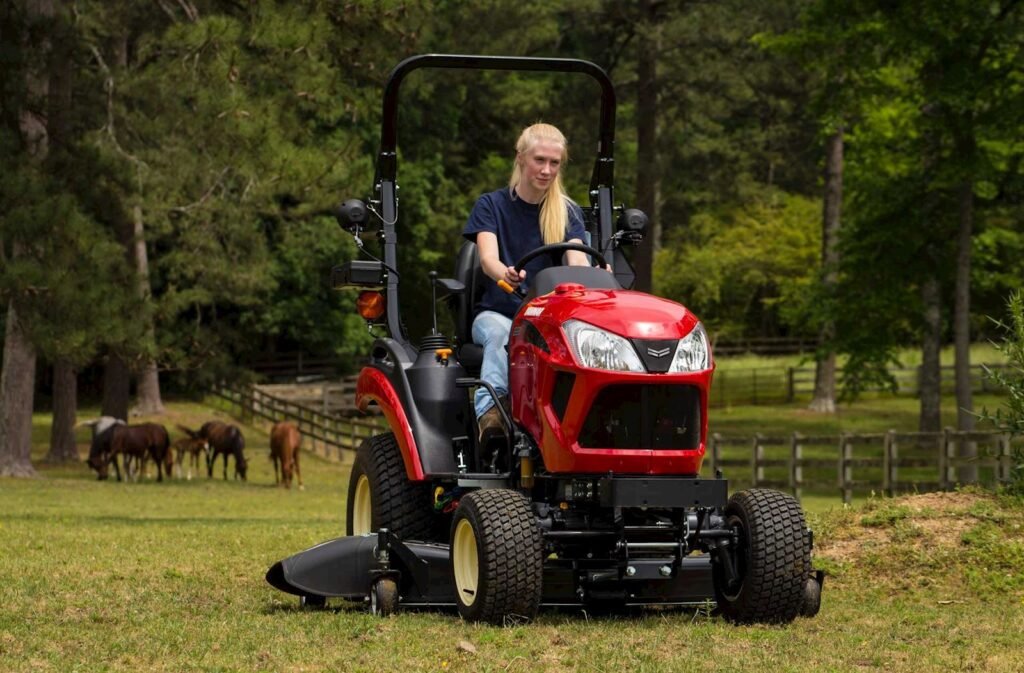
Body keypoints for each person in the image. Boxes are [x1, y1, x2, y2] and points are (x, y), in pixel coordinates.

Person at [462, 122, 591, 441]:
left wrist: (591, 279)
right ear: (520, 158)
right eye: (539, 160)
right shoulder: (491, 205)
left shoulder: (567, 213)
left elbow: (577, 258)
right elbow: (488, 258)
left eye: (554, 163)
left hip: (546, 319)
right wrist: (503, 271)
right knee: (500, 334)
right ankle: (490, 416)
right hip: (499, 311)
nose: (547, 170)